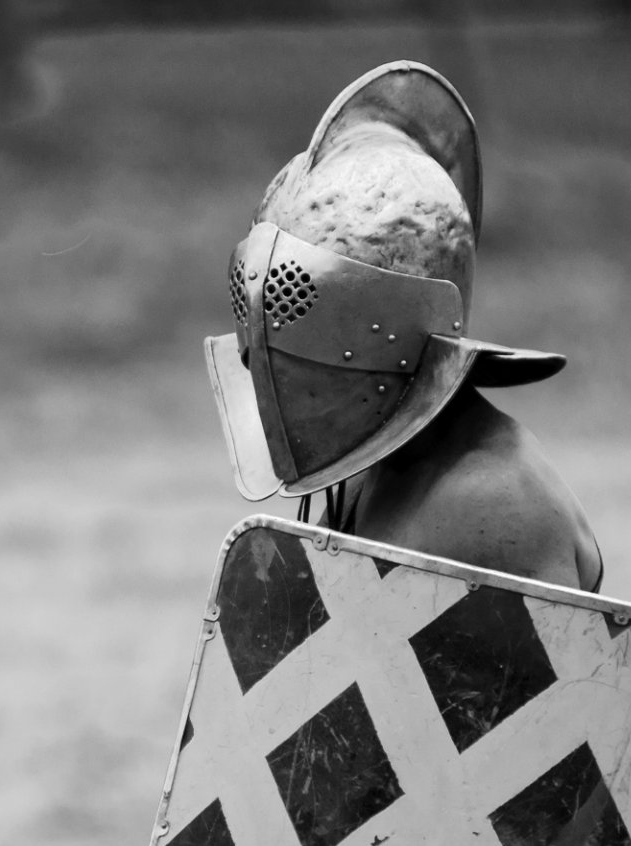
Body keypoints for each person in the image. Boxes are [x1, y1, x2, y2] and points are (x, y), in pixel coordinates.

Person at [204, 61, 603, 593]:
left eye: (298, 305)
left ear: (391, 323)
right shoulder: (377, 467)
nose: (267, 356)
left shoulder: (488, 500)